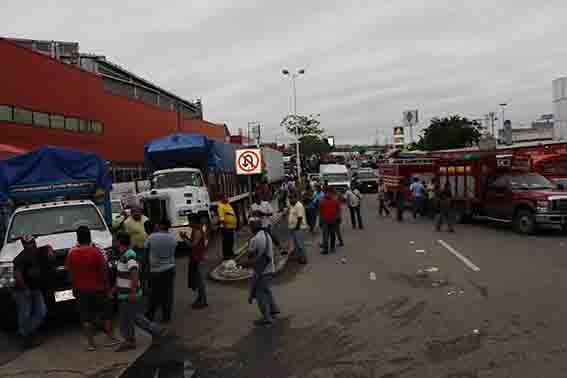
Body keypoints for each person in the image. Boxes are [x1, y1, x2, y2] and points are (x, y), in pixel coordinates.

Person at [66, 226, 120, 351]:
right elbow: (104, 270)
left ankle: (91, 343)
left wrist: (74, 288)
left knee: (85, 317)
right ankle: (110, 338)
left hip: (81, 290)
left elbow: (70, 274)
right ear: (89, 236)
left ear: (78, 238)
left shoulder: (71, 253)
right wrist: (107, 288)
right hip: (99, 288)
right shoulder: (96, 252)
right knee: (106, 313)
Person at [112, 232, 165, 352]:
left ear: (119, 242)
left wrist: (132, 292)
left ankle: (146, 334)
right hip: (124, 294)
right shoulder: (123, 255)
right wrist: (114, 289)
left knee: (130, 318)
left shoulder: (129, 255)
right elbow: (122, 275)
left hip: (128, 295)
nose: (112, 242)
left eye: (114, 240)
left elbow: (134, 274)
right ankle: (136, 338)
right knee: (131, 318)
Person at [12, 235, 54, 349]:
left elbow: (47, 247)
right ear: (23, 245)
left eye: (32, 242)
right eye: (28, 244)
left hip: (35, 289)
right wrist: (25, 288)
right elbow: (17, 275)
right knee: (25, 314)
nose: (31, 245)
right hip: (22, 291)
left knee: (41, 312)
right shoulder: (20, 258)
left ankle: (24, 333)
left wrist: (49, 249)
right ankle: (26, 339)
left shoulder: (38, 251)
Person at [246, 218, 278, 326]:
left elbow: (250, 255)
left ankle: (267, 317)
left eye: (250, 225)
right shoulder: (266, 235)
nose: (249, 228)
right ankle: (273, 309)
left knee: (261, 295)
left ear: (253, 227)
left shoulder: (255, 240)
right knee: (266, 291)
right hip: (269, 267)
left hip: (261, 270)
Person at [144, 219, 177, 323]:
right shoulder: (173, 238)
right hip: (170, 269)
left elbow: (145, 253)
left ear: (161, 225)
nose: (156, 226)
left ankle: (150, 315)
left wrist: (145, 268)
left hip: (155, 270)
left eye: (158, 224)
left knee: (154, 294)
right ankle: (166, 316)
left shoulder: (152, 237)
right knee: (167, 294)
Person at [182, 214, 209, 309]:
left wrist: (184, 238)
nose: (189, 223)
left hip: (199, 258)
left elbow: (192, 245)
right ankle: (200, 299)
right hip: (197, 258)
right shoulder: (198, 229)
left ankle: (203, 301)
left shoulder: (198, 231)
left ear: (195, 221)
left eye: (190, 221)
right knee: (198, 281)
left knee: (200, 281)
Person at [319, 188, 341, 254]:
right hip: (325, 221)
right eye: (327, 193)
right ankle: (325, 249)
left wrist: (339, 217)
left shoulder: (335, 200)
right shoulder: (321, 201)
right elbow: (320, 212)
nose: (328, 194)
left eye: (330, 193)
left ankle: (332, 247)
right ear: (325, 193)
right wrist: (320, 221)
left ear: (331, 193)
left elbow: (338, 209)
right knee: (325, 235)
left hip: (333, 220)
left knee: (332, 235)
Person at [288, 193, 308, 264]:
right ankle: (300, 258)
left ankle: (303, 259)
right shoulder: (292, 205)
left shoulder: (299, 205)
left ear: (296, 198)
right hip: (293, 228)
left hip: (299, 228)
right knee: (296, 244)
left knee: (300, 244)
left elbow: (300, 217)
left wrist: (296, 227)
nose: (290, 200)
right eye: (289, 198)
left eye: (292, 198)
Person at [218, 193, 237, 260]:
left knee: (231, 240)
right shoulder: (221, 206)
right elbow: (222, 219)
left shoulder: (227, 204)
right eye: (225, 198)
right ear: (222, 199)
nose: (227, 199)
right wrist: (225, 227)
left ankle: (231, 253)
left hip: (231, 227)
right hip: (226, 228)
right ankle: (226, 255)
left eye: (227, 197)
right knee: (226, 242)